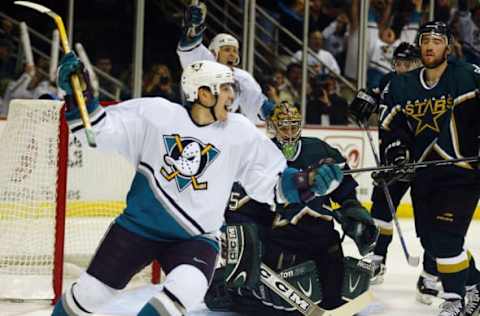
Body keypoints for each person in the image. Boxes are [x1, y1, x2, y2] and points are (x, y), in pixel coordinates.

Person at [50, 53, 345, 316]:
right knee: (91, 295)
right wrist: (80, 96)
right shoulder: (156, 115)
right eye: (226, 88)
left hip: (196, 237)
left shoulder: (239, 132)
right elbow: (100, 130)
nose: (232, 96)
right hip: (137, 229)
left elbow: (272, 184)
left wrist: (306, 183)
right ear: (203, 93)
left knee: (187, 288)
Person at [204, 101, 378, 314]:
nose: (288, 133)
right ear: (272, 127)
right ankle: (233, 289)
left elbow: (344, 189)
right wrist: (248, 244)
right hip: (282, 248)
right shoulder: (260, 156)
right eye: (283, 127)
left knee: (339, 301)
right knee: (284, 309)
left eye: (293, 126)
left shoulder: (320, 150)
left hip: (324, 244)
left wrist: (353, 210)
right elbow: (240, 209)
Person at [380, 21, 480, 316]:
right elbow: (392, 126)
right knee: (433, 243)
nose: (429, 46)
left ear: (448, 46)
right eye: (425, 40)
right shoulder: (402, 84)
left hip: (463, 171)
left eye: (436, 41)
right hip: (425, 172)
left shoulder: (467, 76)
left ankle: (454, 299)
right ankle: (474, 283)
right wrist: (397, 151)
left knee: (447, 238)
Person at [351, 41, 443, 304]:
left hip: (425, 162)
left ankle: (430, 273)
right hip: (393, 160)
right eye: (398, 63)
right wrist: (363, 101)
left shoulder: (429, 85)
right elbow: (372, 97)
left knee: (430, 221)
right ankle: (377, 260)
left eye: (407, 64)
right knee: (381, 209)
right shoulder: (390, 81)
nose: (401, 68)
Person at [177, 1, 275, 124]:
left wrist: (274, 113)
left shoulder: (242, 78)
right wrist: (193, 29)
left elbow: (256, 105)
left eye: (235, 51)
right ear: (214, 53)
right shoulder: (205, 63)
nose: (232, 54)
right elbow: (188, 47)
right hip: (193, 122)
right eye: (227, 49)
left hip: (222, 127)